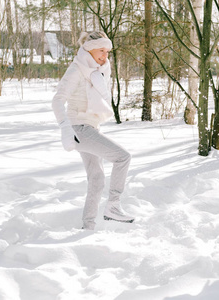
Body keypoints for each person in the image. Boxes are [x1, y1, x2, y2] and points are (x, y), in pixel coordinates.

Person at [52, 31, 134, 230]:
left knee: (96, 178)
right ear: (89, 49)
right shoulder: (77, 70)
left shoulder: (98, 71)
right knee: (122, 157)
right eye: (101, 50)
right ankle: (113, 205)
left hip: (90, 127)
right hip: (79, 128)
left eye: (107, 51)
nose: (105, 56)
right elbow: (57, 100)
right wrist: (65, 127)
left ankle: (87, 226)